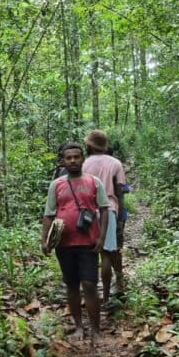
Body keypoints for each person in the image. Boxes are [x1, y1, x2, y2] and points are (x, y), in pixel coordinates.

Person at [41, 142, 109, 346]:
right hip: (64, 244)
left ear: (83, 159)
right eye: (68, 158)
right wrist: (44, 240)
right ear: (62, 161)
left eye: (76, 157)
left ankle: (96, 330)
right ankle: (79, 326)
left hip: (88, 242)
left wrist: (102, 237)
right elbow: (49, 214)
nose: (72, 161)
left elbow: (104, 209)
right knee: (71, 284)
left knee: (89, 284)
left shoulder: (94, 182)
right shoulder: (57, 185)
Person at [82, 130, 127, 304]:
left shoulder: (84, 164)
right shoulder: (115, 163)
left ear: (90, 145)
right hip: (109, 210)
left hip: (87, 212)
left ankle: (89, 295)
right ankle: (107, 296)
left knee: (89, 254)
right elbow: (119, 191)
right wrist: (121, 215)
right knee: (107, 254)